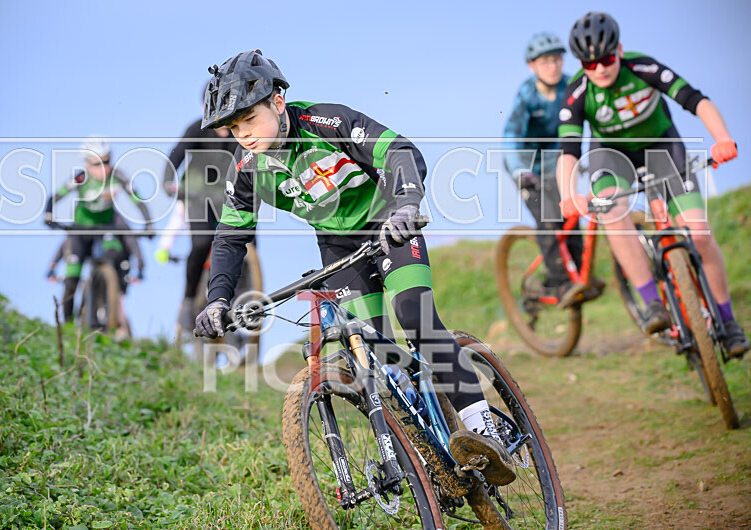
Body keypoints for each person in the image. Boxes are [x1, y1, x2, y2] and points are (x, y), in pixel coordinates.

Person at [193, 49, 516, 485]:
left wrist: (406, 205)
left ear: (277, 102)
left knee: (415, 319)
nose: (242, 134)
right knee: (375, 351)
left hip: (389, 222)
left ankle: (485, 426)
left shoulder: (328, 122)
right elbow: (231, 237)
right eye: (232, 128)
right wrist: (218, 299)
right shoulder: (248, 170)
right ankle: (434, 456)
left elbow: (398, 150)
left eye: (248, 119)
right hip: (338, 245)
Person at [557, 12, 749, 357]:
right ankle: (651, 304)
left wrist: (722, 138)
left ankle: (729, 322)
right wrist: (569, 195)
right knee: (612, 210)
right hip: (611, 157)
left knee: (700, 235)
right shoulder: (577, 93)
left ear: (620, 50)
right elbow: (568, 151)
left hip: (662, 146)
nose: (600, 68)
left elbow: (695, 100)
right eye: (590, 63)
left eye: (607, 58)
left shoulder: (643, 67)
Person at [503, 32, 602, 307]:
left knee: (572, 215)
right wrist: (520, 173)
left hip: (559, 165)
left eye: (557, 59)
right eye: (546, 61)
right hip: (528, 168)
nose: (553, 66)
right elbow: (510, 136)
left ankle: (582, 277)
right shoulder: (526, 97)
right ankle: (558, 283)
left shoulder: (571, 88)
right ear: (532, 66)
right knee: (548, 219)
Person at [44, 138, 152, 337]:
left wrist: (149, 223)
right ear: (86, 163)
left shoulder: (118, 176)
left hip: (106, 228)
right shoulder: (80, 178)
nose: (104, 167)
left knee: (116, 256)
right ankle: (66, 328)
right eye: (97, 163)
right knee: (71, 279)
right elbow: (55, 197)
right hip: (81, 230)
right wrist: (49, 214)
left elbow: (138, 200)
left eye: (107, 161)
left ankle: (113, 307)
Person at [159, 90, 240, 331]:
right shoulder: (197, 128)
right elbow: (176, 154)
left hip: (228, 195)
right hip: (196, 195)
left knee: (246, 241)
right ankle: (188, 297)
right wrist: (167, 180)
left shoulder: (238, 132)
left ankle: (242, 292)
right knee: (202, 243)